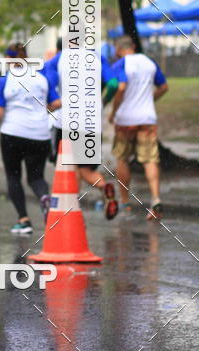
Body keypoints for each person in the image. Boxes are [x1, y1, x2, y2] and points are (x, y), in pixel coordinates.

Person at [44, 38, 120, 219]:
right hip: (92, 121)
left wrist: (52, 102)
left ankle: (71, 208)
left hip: (67, 121)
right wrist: (103, 101)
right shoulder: (97, 57)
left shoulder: (59, 59)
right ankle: (103, 186)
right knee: (85, 168)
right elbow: (113, 84)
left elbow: (48, 83)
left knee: (68, 166)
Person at [0, 46, 61, 234]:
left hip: (12, 134)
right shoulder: (41, 79)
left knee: (13, 176)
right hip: (40, 134)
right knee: (36, 177)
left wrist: (4, 108)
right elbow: (56, 103)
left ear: (8, 59)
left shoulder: (4, 80)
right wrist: (39, 110)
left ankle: (24, 219)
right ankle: (45, 198)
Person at [109, 35, 168, 220]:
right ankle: (156, 199)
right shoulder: (150, 63)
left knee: (123, 159)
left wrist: (113, 112)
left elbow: (120, 87)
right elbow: (164, 87)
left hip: (126, 120)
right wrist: (150, 100)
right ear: (134, 46)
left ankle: (125, 203)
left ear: (118, 50)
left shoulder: (120, 64)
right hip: (147, 119)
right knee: (150, 159)